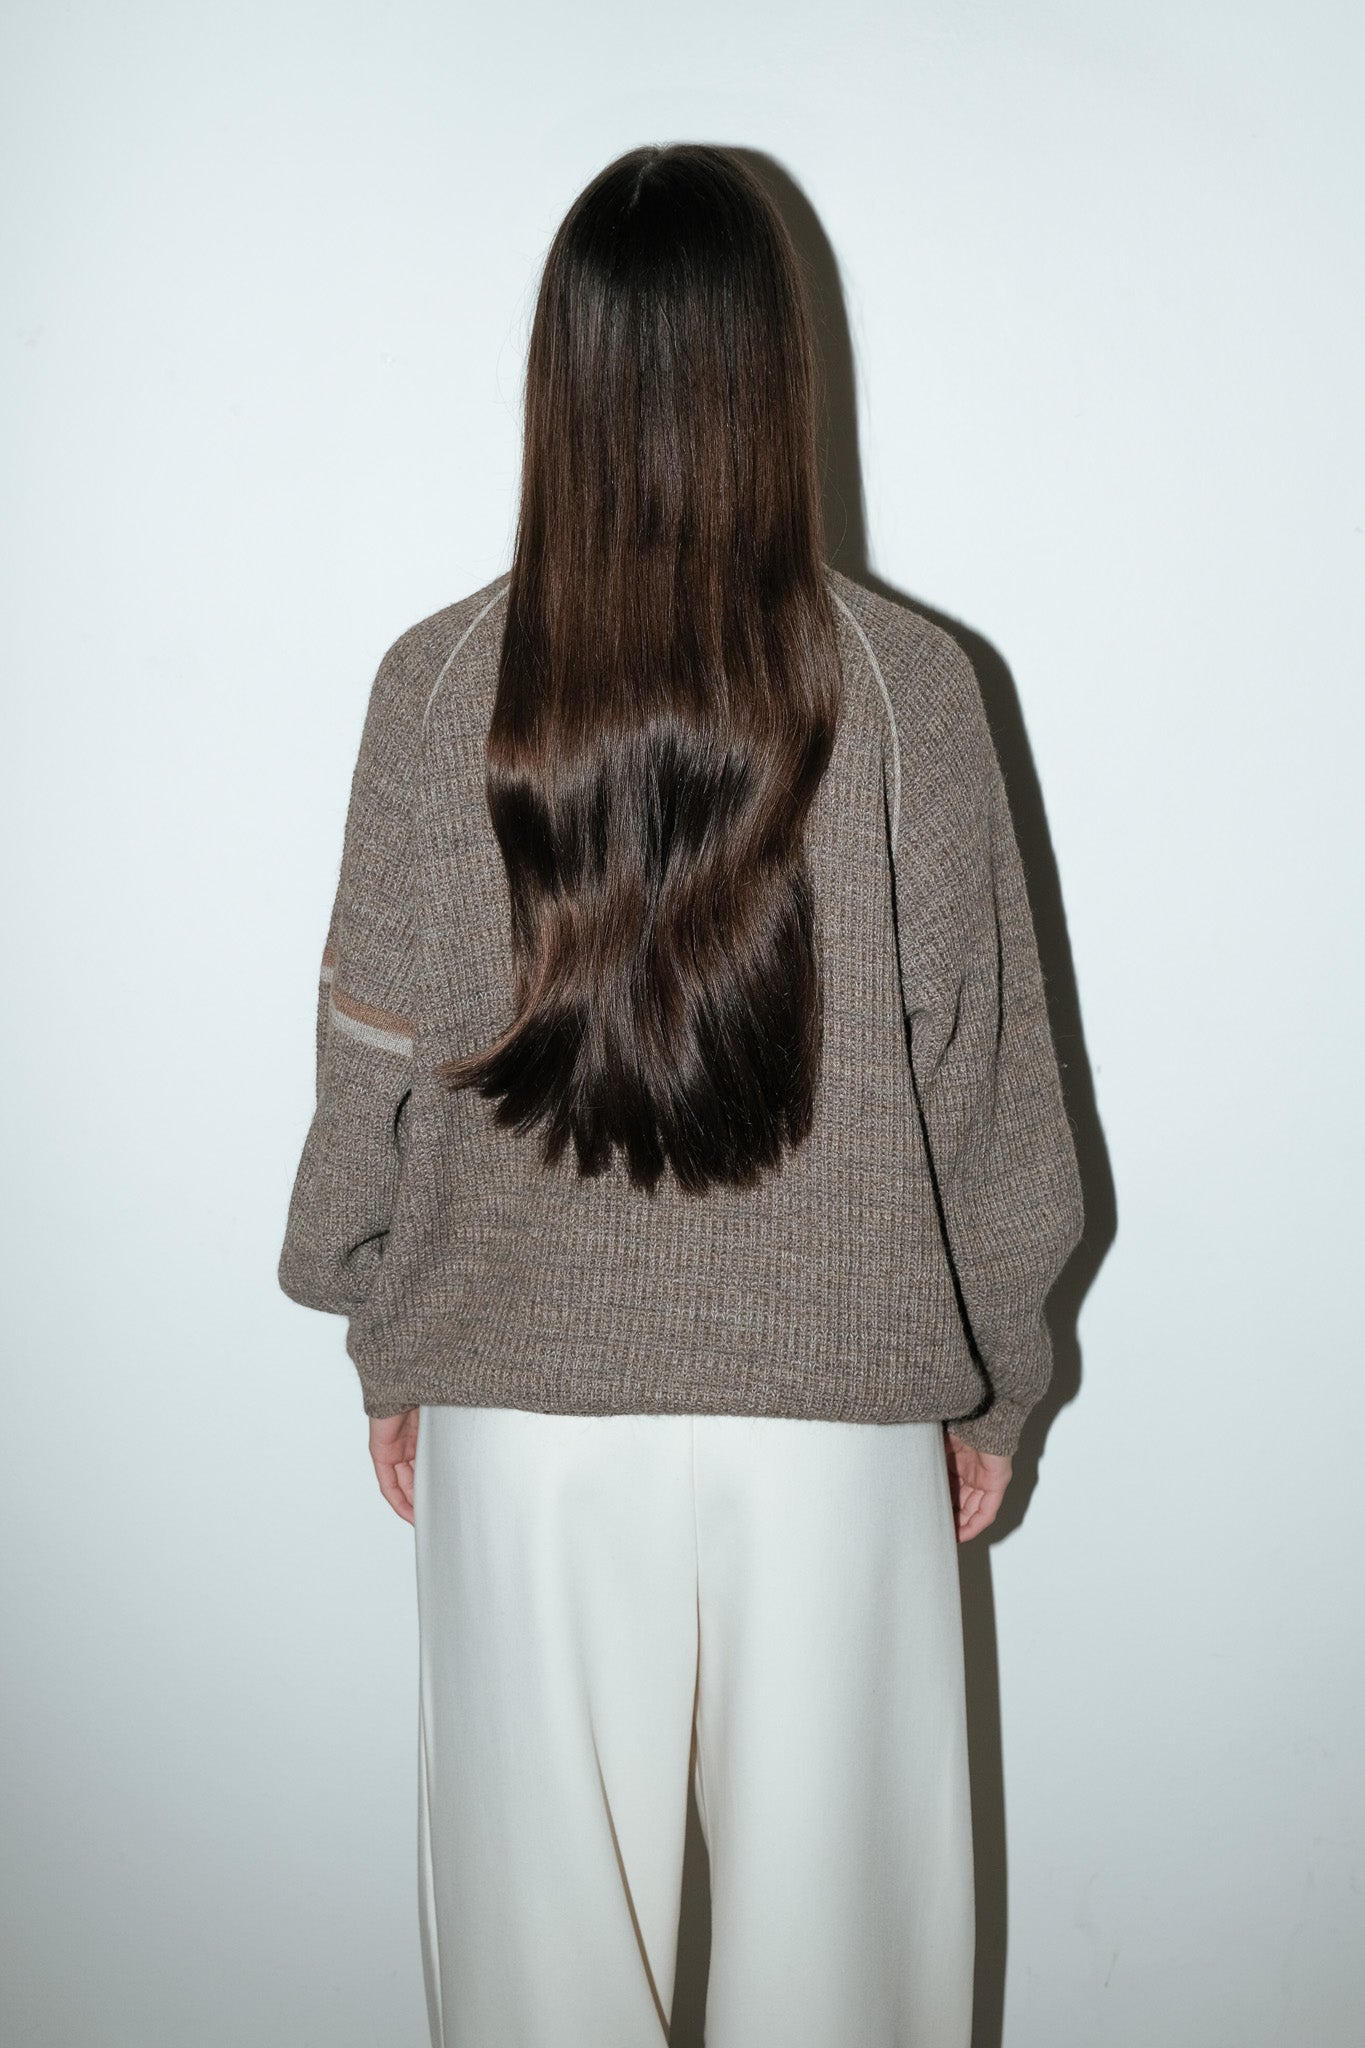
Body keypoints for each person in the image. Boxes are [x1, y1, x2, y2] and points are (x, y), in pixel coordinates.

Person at [277, 141, 1084, 2048]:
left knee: (532, 1988)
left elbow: (367, 1054)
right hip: (837, 1425)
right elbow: (982, 1077)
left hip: (522, 1428)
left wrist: (379, 1323)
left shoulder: (439, 680)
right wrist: (996, 1375)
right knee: (851, 1990)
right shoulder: (908, 686)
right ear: (773, 378)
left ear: (558, 371)